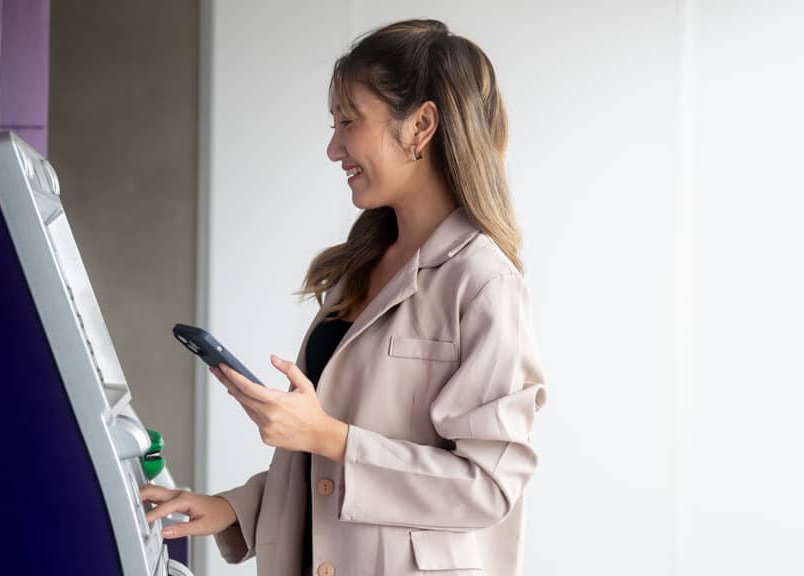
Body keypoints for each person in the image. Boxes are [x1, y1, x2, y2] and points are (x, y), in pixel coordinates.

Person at [140, 18, 548, 576]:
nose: (334, 148)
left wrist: (328, 435)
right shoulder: (361, 267)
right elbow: (327, 477)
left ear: (420, 126)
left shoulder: (483, 281)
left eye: (348, 122)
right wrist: (230, 508)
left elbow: (486, 486)